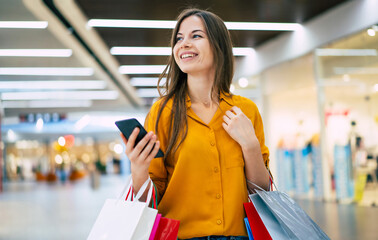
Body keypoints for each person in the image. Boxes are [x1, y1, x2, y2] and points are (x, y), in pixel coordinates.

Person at [121, 8, 270, 240]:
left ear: (218, 45)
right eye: (179, 38)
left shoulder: (245, 111)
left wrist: (250, 145)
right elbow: (151, 199)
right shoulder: (163, 112)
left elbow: (262, 194)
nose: (184, 44)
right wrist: (139, 169)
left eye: (196, 36)